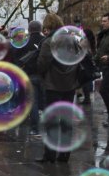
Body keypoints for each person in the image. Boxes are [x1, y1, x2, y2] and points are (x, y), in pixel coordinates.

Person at [34, 14, 79, 163]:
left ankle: (50, 155)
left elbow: (41, 65)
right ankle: (65, 154)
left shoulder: (48, 42)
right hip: (70, 84)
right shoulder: (71, 40)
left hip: (53, 85)